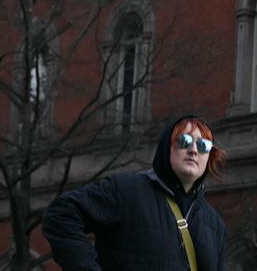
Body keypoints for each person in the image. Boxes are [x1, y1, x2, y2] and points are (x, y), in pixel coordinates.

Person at [42, 115, 228, 271]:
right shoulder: (127, 191)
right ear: (167, 147)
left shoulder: (214, 225)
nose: (194, 150)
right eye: (184, 141)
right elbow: (62, 213)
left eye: (203, 145)